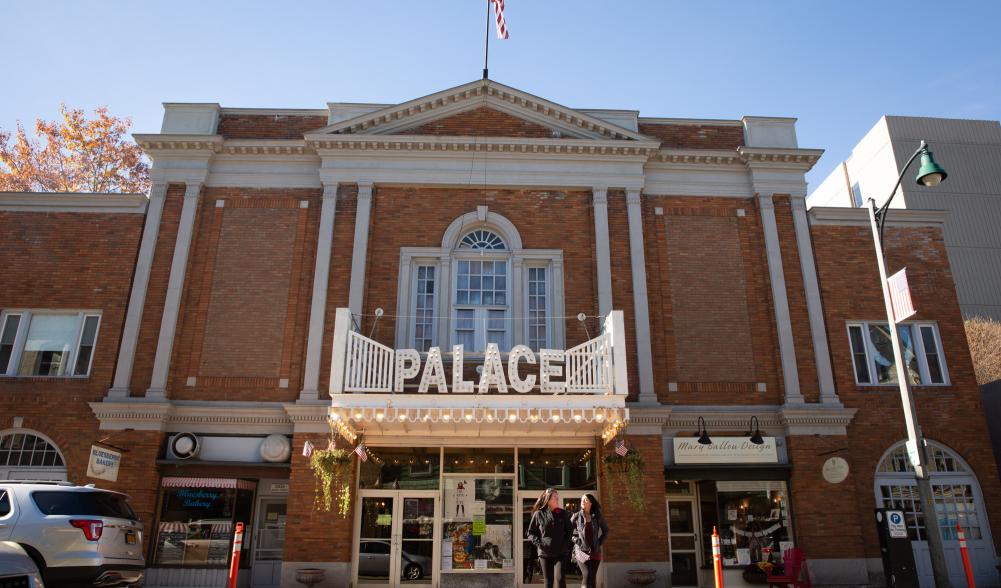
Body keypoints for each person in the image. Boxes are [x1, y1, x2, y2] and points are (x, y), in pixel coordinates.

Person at [526, 487, 572, 588]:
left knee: (560, 580)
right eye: (555, 497)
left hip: (560, 553)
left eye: (557, 497)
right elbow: (530, 533)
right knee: (548, 582)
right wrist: (540, 543)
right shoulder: (539, 514)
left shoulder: (562, 513)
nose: (557, 499)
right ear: (548, 499)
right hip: (545, 554)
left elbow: (569, 531)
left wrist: (565, 545)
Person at [571, 493, 609, 588]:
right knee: (587, 574)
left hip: (595, 551)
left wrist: (599, 542)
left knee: (592, 578)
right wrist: (576, 540)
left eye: (586, 500)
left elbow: (606, 530)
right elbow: (567, 531)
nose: (583, 501)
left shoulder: (597, 516)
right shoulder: (576, 516)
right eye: (582, 500)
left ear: (591, 503)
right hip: (581, 551)